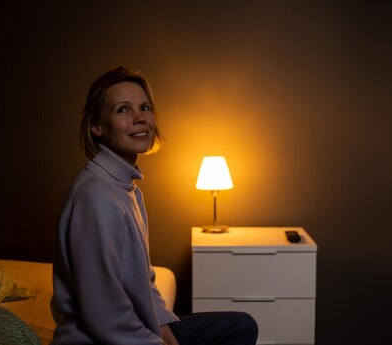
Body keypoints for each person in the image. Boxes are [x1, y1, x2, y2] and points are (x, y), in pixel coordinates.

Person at [50, 65, 258, 345]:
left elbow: (145, 282)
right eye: (123, 109)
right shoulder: (95, 193)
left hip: (135, 329)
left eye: (144, 107)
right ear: (97, 127)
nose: (139, 118)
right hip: (98, 340)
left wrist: (165, 331)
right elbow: (105, 311)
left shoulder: (127, 190)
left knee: (241, 326)